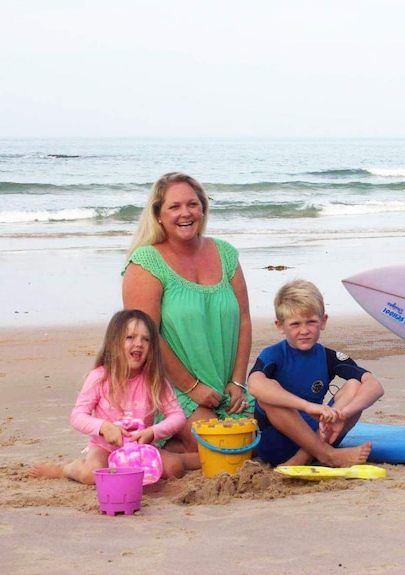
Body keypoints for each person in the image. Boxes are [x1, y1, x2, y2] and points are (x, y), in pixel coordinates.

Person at [122, 172, 253, 457]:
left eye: (192, 204)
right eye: (174, 206)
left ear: (203, 208)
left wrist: (238, 381)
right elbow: (146, 338)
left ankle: (164, 450)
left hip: (226, 387)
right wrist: (192, 388)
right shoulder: (145, 263)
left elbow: (244, 320)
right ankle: (157, 446)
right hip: (173, 389)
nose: (186, 213)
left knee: (258, 445)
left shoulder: (225, 254)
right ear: (158, 214)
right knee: (223, 449)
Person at [29, 309, 191, 484]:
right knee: (91, 474)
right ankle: (65, 468)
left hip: (141, 448)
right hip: (104, 448)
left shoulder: (155, 380)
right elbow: (77, 416)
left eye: (146, 339)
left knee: (174, 468)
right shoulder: (100, 377)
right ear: (114, 342)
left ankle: (192, 458)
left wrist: (153, 432)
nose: (139, 344)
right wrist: (104, 428)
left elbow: (177, 415)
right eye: (130, 337)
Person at [248, 279, 384, 467]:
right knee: (269, 394)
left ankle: (305, 458)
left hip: (320, 434)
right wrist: (307, 406)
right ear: (280, 326)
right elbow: (254, 384)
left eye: (311, 322)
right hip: (277, 443)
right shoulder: (274, 354)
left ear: (323, 321)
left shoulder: (328, 356)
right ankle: (327, 455)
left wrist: (343, 414)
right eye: (295, 324)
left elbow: (375, 386)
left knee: (355, 384)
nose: (304, 330)